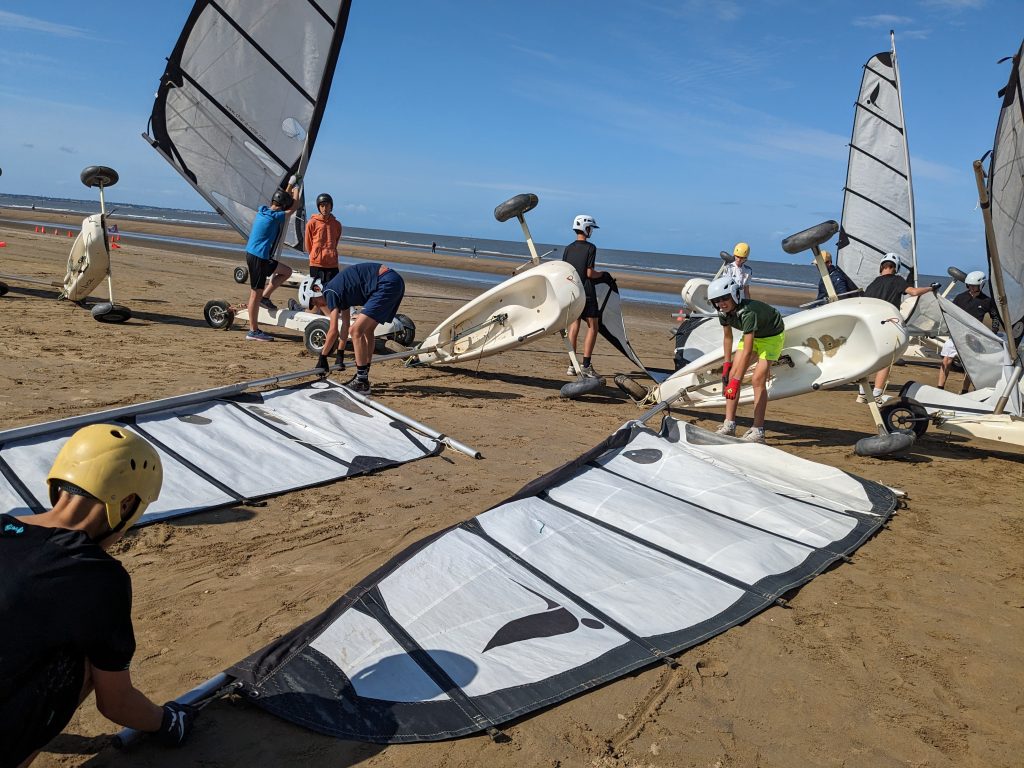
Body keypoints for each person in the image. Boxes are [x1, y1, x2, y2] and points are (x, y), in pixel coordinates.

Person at [0, 425, 197, 766]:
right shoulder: (100, 576)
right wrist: (170, 722)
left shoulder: (4, 525)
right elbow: (115, 703)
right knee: (90, 661)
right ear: (127, 504)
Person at [298, 262, 406, 395]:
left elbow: (332, 331)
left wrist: (323, 357)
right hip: (393, 281)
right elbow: (344, 325)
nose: (319, 306)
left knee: (356, 331)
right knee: (367, 330)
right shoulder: (338, 292)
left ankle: (361, 381)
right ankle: (363, 376)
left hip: (385, 283)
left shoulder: (330, 292)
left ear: (316, 289)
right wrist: (340, 354)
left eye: (314, 302)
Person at [707, 275, 786, 443]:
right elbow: (728, 338)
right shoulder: (723, 314)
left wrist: (736, 381)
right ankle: (729, 425)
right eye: (717, 300)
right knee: (732, 375)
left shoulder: (747, 313)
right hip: (753, 335)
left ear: (734, 294)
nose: (721, 303)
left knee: (758, 379)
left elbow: (749, 348)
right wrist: (727, 364)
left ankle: (758, 430)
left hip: (772, 336)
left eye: (725, 298)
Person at [860, 252, 938, 403]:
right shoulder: (897, 280)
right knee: (886, 358)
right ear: (895, 268)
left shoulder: (873, 283)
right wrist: (930, 288)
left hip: (870, 324)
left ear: (881, 266)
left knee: (871, 357)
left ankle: (863, 391)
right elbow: (914, 292)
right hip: (887, 324)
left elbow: (865, 303)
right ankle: (876, 393)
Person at [244, 183, 297, 341]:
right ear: (281, 207)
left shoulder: (264, 210)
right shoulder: (275, 216)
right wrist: (298, 189)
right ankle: (253, 331)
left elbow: (283, 200)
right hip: (258, 258)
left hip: (259, 256)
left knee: (286, 272)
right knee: (254, 294)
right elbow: (294, 207)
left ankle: (265, 298)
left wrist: (290, 184)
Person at [562, 214, 610, 378]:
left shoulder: (568, 248)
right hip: (587, 292)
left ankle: (572, 365)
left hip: (572, 290)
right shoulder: (591, 248)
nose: (591, 232)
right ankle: (586, 365)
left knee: (574, 326)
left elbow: (566, 271)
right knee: (593, 327)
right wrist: (603, 275)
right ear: (586, 228)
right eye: (590, 229)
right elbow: (589, 273)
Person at [937, 270, 1001, 389]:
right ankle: (940, 387)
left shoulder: (987, 301)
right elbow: (950, 312)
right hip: (956, 335)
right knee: (946, 360)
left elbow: (995, 316)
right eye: (969, 285)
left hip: (974, 337)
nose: (971, 287)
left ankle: (964, 390)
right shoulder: (960, 298)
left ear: (981, 285)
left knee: (970, 365)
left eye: (974, 286)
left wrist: (994, 331)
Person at [304, 193, 343, 312]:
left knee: (332, 291)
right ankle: (313, 312)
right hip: (316, 263)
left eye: (327, 205)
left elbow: (335, 242)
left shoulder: (337, 224)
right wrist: (315, 255)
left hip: (332, 264)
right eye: (321, 206)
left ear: (331, 206)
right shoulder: (312, 222)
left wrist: (330, 253)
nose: (324, 208)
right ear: (318, 207)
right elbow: (308, 243)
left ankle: (327, 312)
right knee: (316, 292)